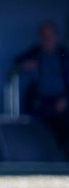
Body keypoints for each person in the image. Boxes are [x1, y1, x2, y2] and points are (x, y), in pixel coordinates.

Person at [13, 20, 69, 154]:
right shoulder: (36, 53)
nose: (47, 40)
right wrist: (24, 66)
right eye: (44, 37)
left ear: (55, 36)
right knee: (39, 121)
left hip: (62, 99)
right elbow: (16, 64)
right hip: (41, 101)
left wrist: (66, 99)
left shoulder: (63, 55)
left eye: (49, 36)